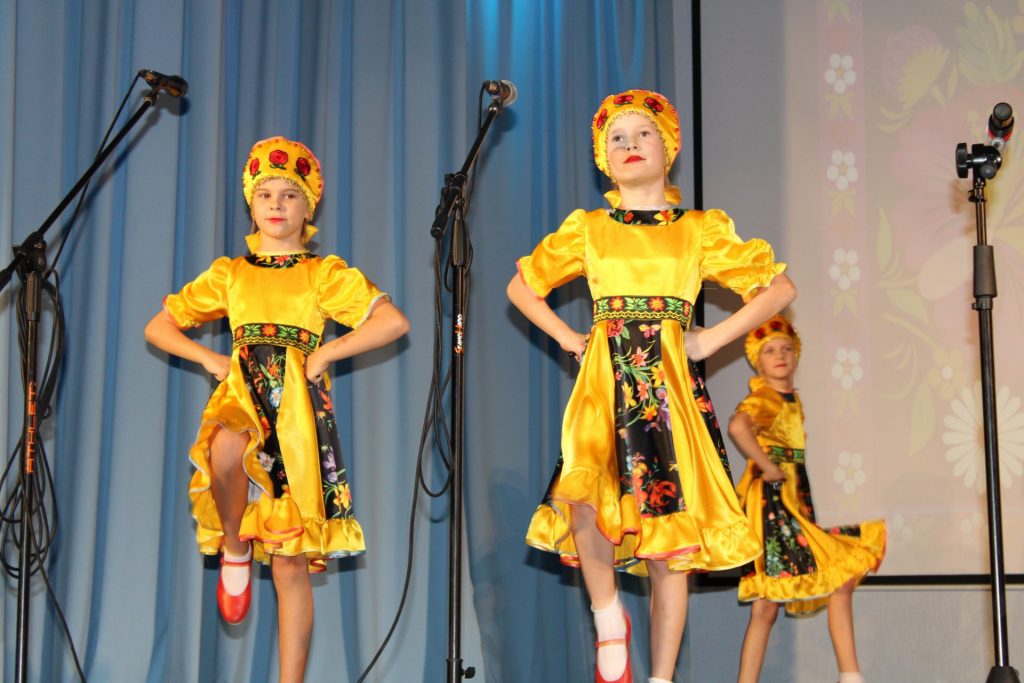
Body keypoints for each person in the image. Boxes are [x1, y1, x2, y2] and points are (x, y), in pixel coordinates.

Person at [506, 89, 797, 683]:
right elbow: (522, 287)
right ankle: (608, 616)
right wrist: (570, 338)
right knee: (583, 495)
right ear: (603, 159)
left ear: (668, 149)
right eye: (617, 138)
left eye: (643, 134)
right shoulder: (589, 229)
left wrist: (709, 342)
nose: (630, 145)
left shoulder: (698, 230)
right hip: (604, 382)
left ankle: (661, 677)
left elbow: (779, 289)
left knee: (669, 540)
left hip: (667, 392)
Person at [144, 136, 409, 682]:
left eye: (290, 195)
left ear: (308, 207)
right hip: (244, 395)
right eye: (265, 194)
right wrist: (211, 359)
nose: (277, 204)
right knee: (224, 450)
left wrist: (328, 352)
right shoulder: (231, 273)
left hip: (296, 418)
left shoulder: (323, 273)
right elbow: (159, 325)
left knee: (290, 564)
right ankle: (235, 546)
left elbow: (392, 322)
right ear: (251, 203)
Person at [729, 315, 885, 683]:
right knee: (773, 602)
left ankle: (850, 675)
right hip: (772, 506)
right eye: (770, 351)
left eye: (786, 348)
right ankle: (849, 675)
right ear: (757, 361)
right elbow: (738, 426)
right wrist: (767, 465)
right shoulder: (765, 399)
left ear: (796, 356)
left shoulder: (790, 399)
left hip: (793, 499)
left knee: (824, 585)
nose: (780, 355)